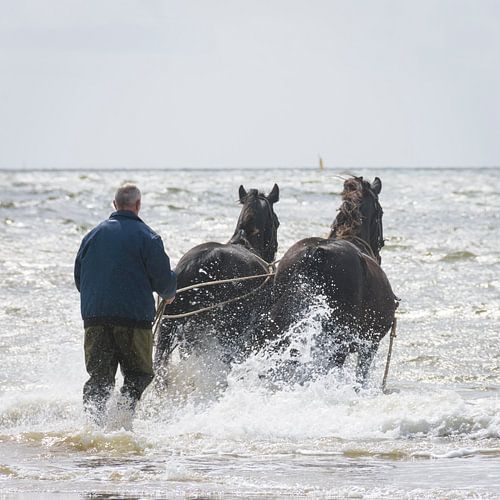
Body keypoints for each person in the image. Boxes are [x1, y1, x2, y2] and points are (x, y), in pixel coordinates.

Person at [74, 183, 176, 429]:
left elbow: (79, 278)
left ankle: (93, 428)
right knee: (139, 374)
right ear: (138, 205)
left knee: (99, 380)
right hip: (133, 321)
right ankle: (122, 423)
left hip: (95, 318)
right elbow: (164, 283)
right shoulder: (148, 237)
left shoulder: (91, 236)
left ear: (114, 204)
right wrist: (169, 293)